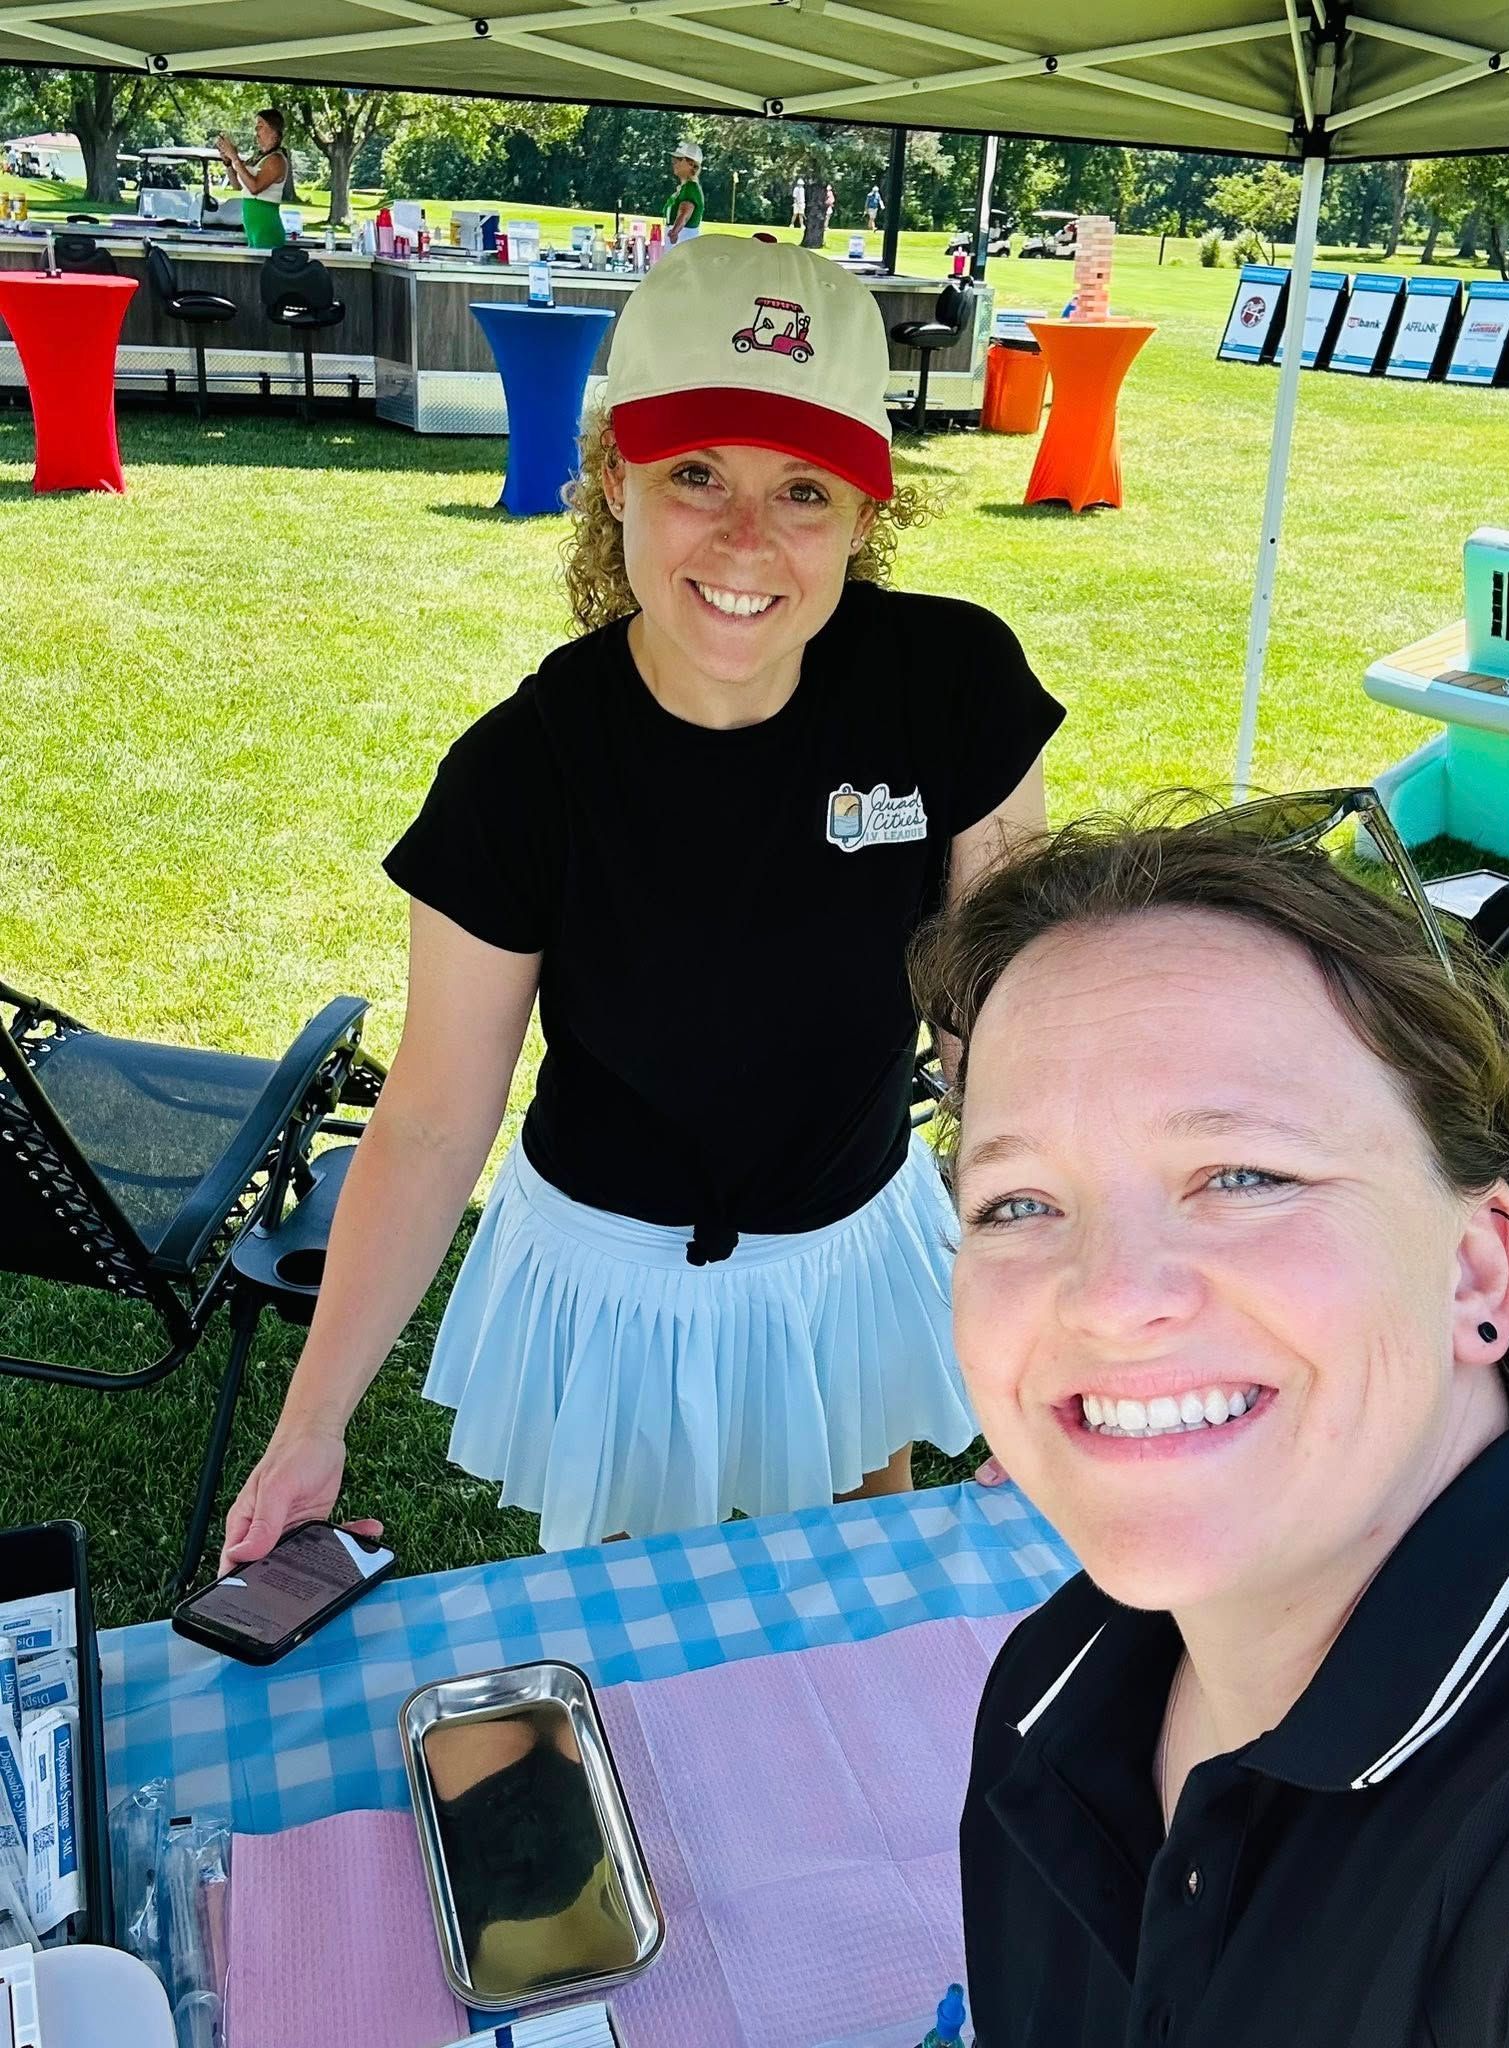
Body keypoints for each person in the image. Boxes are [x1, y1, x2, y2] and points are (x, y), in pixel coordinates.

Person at [220, 234, 1062, 1574]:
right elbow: (437, 1113)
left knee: (856, 1573)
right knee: (632, 1624)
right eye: (694, 477)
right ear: (614, 481)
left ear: (865, 513)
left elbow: (1003, 1031)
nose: (745, 540)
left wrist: (1050, 1316)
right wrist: (309, 1424)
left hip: (850, 1236)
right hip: (617, 1273)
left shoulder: (949, 684)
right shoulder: (524, 772)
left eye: (802, 490)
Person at [911, 794, 1509, 2047]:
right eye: (1020, 1200)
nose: (1113, 1297)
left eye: (1243, 1175)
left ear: (1475, 1267)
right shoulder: (1055, 1689)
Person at [216, 107, 288, 250]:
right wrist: (229, 163)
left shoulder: (276, 160)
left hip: (267, 227)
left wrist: (235, 158)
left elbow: (255, 187)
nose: (256, 131)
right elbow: (237, 185)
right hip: (253, 229)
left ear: (274, 132)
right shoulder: (257, 158)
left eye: (261, 126)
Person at [663, 140, 704, 246]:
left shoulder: (690, 187)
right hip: (680, 244)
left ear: (691, 164)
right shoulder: (685, 187)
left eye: (679, 159)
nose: (674, 162)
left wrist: (674, 232)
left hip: (681, 243)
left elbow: (685, 211)